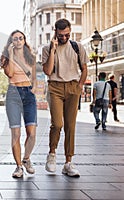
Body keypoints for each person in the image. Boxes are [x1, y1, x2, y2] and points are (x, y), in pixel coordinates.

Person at [42, 18, 89, 177]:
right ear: (55, 32)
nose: (64, 38)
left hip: (73, 87)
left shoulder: (78, 47)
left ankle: (68, 163)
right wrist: (53, 50)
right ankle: (52, 154)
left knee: (70, 126)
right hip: (55, 87)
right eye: (61, 35)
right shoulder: (47, 49)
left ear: (70, 32)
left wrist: (80, 86)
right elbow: (48, 71)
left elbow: (84, 68)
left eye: (67, 35)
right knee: (57, 123)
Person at [0, 30, 37, 178]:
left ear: (24, 40)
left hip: (28, 94)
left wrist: (34, 88)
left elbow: (34, 77)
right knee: (16, 133)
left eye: (21, 38)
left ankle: (26, 159)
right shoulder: (7, 58)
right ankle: (19, 167)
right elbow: (10, 73)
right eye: (15, 39)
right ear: (11, 42)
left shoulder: (31, 57)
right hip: (14, 94)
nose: (18, 41)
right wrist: (11, 54)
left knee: (31, 133)